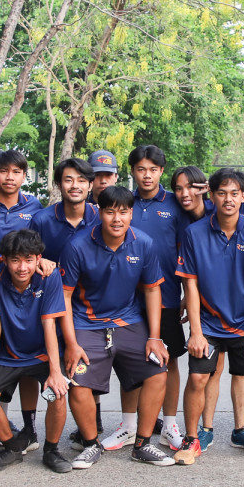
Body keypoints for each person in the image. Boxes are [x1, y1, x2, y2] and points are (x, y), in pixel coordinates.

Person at [173, 168, 244, 466]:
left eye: (235, 193)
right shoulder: (194, 233)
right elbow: (190, 284)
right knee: (197, 377)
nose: (228, 199)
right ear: (211, 196)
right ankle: (191, 439)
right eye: (221, 193)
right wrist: (196, 332)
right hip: (209, 323)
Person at [58, 185, 174, 469]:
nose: (117, 218)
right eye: (110, 211)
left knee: (158, 371)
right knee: (77, 380)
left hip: (128, 320)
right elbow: (65, 296)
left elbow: (152, 290)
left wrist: (155, 337)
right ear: (99, 212)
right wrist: (71, 343)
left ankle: (142, 444)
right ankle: (90, 444)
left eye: (123, 212)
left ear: (131, 213)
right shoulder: (77, 246)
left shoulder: (143, 243)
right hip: (86, 323)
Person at [97, 145, 191, 452]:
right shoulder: (125, 203)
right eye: (141, 169)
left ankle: (170, 424)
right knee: (130, 363)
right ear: (133, 171)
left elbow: (185, 252)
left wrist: (186, 295)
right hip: (127, 300)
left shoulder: (176, 203)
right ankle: (128, 426)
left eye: (153, 169)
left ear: (162, 171)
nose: (147, 175)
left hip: (166, 297)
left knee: (169, 361)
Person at [0, 229, 73, 474]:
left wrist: (55, 372)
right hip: (7, 355)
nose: (22, 267)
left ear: (38, 258)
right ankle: (12, 448)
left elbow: (49, 323)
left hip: (41, 353)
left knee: (58, 392)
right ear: (4, 260)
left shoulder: (49, 277)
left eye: (29, 260)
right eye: (15, 260)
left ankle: (51, 450)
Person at [30, 157, 101, 449]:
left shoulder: (100, 217)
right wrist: (40, 261)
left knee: (85, 366)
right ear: (59, 184)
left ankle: (91, 426)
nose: (75, 185)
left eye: (82, 180)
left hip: (88, 305)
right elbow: (27, 256)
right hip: (48, 304)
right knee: (52, 368)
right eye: (68, 179)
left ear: (91, 185)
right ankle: (37, 432)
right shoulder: (42, 219)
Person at [0, 149, 44, 454]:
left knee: (25, 359)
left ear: (24, 175)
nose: (9, 177)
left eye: (16, 172)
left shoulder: (33, 206)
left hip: (23, 290)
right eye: (3, 171)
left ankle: (28, 427)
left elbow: (38, 245)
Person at [169, 165, 223, 451]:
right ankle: (189, 431)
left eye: (191, 187)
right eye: (178, 188)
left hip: (225, 299)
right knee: (200, 369)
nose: (184, 194)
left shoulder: (220, 206)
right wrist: (187, 299)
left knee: (216, 369)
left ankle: (207, 428)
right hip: (195, 295)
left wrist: (212, 186)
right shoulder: (179, 217)